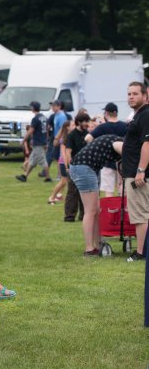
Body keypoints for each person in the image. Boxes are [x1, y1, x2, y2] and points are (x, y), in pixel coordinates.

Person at [69, 134, 124, 256]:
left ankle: (98, 245)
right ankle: (89, 249)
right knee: (91, 211)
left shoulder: (115, 140)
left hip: (82, 167)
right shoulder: (119, 142)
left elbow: (120, 162)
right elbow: (125, 155)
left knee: (96, 210)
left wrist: (121, 178)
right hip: (84, 168)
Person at [122, 82, 149, 262]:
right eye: (129, 93)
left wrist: (140, 171)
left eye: (135, 94)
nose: (131, 96)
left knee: (140, 215)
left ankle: (141, 253)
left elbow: (147, 144)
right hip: (132, 171)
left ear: (145, 96)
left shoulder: (145, 115)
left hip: (137, 174)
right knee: (141, 214)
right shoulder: (138, 115)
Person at [85, 102, 128, 196]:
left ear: (106, 113)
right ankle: (124, 210)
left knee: (109, 189)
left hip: (107, 162)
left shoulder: (102, 127)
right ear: (116, 113)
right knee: (123, 188)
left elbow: (87, 138)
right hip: (123, 161)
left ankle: (110, 209)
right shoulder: (125, 126)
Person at [64, 112, 91, 223]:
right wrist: (69, 166)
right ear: (79, 122)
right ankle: (69, 216)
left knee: (85, 191)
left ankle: (84, 215)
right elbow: (68, 151)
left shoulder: (88, 134)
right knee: (72, 192)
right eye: (84, 121)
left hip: (86, 167)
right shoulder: (72, 135)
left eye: (87, 121)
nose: (86, 123)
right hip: (75, 166)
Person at [15, 101, 50, 182]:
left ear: (33, 108)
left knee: (43, 160)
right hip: (42, 141)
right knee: (32, 161)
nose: (30, 108)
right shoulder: (44, 117)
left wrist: (24, 140)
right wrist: (46, 141)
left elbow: (31, 130)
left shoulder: (35, 119)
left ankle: (48, 177)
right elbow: (47, 130)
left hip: (38, 142)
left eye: (31, 107)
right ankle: (24, 176)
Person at [48, 120, 71, 204]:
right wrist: (66, 166)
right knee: (63, 181)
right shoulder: (65, 138)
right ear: (67, 127)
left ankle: (58, 196)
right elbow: (64, 152)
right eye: (72, 125)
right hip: (63, 162)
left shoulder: (68, 136)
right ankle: (52, 197)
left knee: (64, 182)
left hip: (65, 162)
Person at [47, 100, 70, 177]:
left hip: (61, 139)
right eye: (52, 106)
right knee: (57, 157)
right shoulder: (56, 115)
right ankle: (59, 174)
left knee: (60, 157)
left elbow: (63, 128)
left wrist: (59, 139)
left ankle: (60, 175)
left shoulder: (62, 116)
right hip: (57, 138)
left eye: (54, 106)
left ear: (59, 106)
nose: (52, 108)